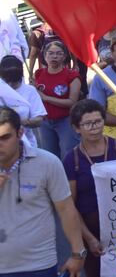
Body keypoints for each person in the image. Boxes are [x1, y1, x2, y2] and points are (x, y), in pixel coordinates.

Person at [0, 106, 87, 277]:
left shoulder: (47, 163)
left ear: (20, 133)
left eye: (5, 137)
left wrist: (78, 253)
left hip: (39, 265)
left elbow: (66, 209)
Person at [63, 100, 116, 277]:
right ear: (76, 128)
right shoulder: (71, 160)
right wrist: (89, 238)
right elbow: (70, 206)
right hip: (93, 233)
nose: (94, 127)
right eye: (87, 124)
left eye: (98, 121)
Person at [34, 40, 82, 158]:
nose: (54, 56)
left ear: (65, 56)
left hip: (65, 120)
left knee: (70, 152)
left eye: (59, 53)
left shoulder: (72, 76)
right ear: (45, 56)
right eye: (50, 53)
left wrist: (46, 98)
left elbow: (72, 102)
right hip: (45, 121)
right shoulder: (39, 73)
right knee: (50, 154)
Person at [0, 55, 45, 147]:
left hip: (26, 144)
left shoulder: (30, 91)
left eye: (14, 81)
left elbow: (39, 119)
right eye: (7, 81)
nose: (10, 84)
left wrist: (20, 122)